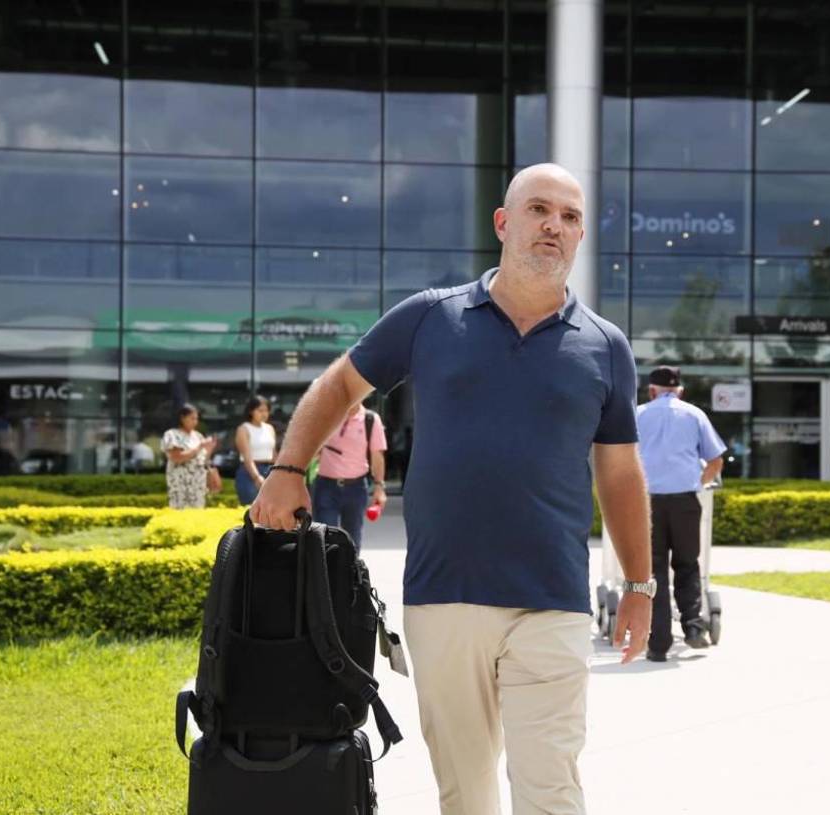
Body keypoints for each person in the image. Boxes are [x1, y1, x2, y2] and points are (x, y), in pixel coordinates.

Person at [251, 163, 653, 815]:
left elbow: (621, 472)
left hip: (552, 599)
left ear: (580, 237)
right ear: (504, 222)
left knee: (550, 784)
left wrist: (639, 586)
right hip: (443, 598)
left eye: (570, 217)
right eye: (539, 210)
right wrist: (288, 470)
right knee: (465, 795)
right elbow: (338, 385)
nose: (554, 225)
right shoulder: (430, 317)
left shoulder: (606, 347)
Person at [635, 365, 727, 662]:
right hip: (685, 500)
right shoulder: (694, 414)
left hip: (648, 503)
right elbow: (715, 461)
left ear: (651, 390)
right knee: (688, 564)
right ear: (680, 390)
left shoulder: (638, 414)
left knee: (655, 570)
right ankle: (693, 629)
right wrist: (696, 483)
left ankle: (658, 644)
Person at [310, 401, 387, 551]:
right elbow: (312, 449)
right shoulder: (327, 415)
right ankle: (326, 574)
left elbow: (377, 456)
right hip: (326, 487)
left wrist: (379, 487)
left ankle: (350, 574)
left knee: (352, 540)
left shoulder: (370, 419)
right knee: (324, 538)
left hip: (356, 488)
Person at [162, 403, 217, 509]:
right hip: (180, 484)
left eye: (196, 419)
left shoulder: (198, 436)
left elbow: (204, 461)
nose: (195, 422)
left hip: (198, 485)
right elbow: (176, 457)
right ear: (182, 418)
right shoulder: (172, 435)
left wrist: (209, 450)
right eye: (192, 418)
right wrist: (199, 447)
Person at [233, 395, 276, 505]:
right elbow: (247, 457)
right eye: (260, 410)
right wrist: (256, 477)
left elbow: (274, 454)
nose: (264, 414)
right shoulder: (243, 429)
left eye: (266, 410)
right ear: (251, 411)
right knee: (252, 509)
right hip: (249, 472)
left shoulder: (269, 428)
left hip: (269, 470)